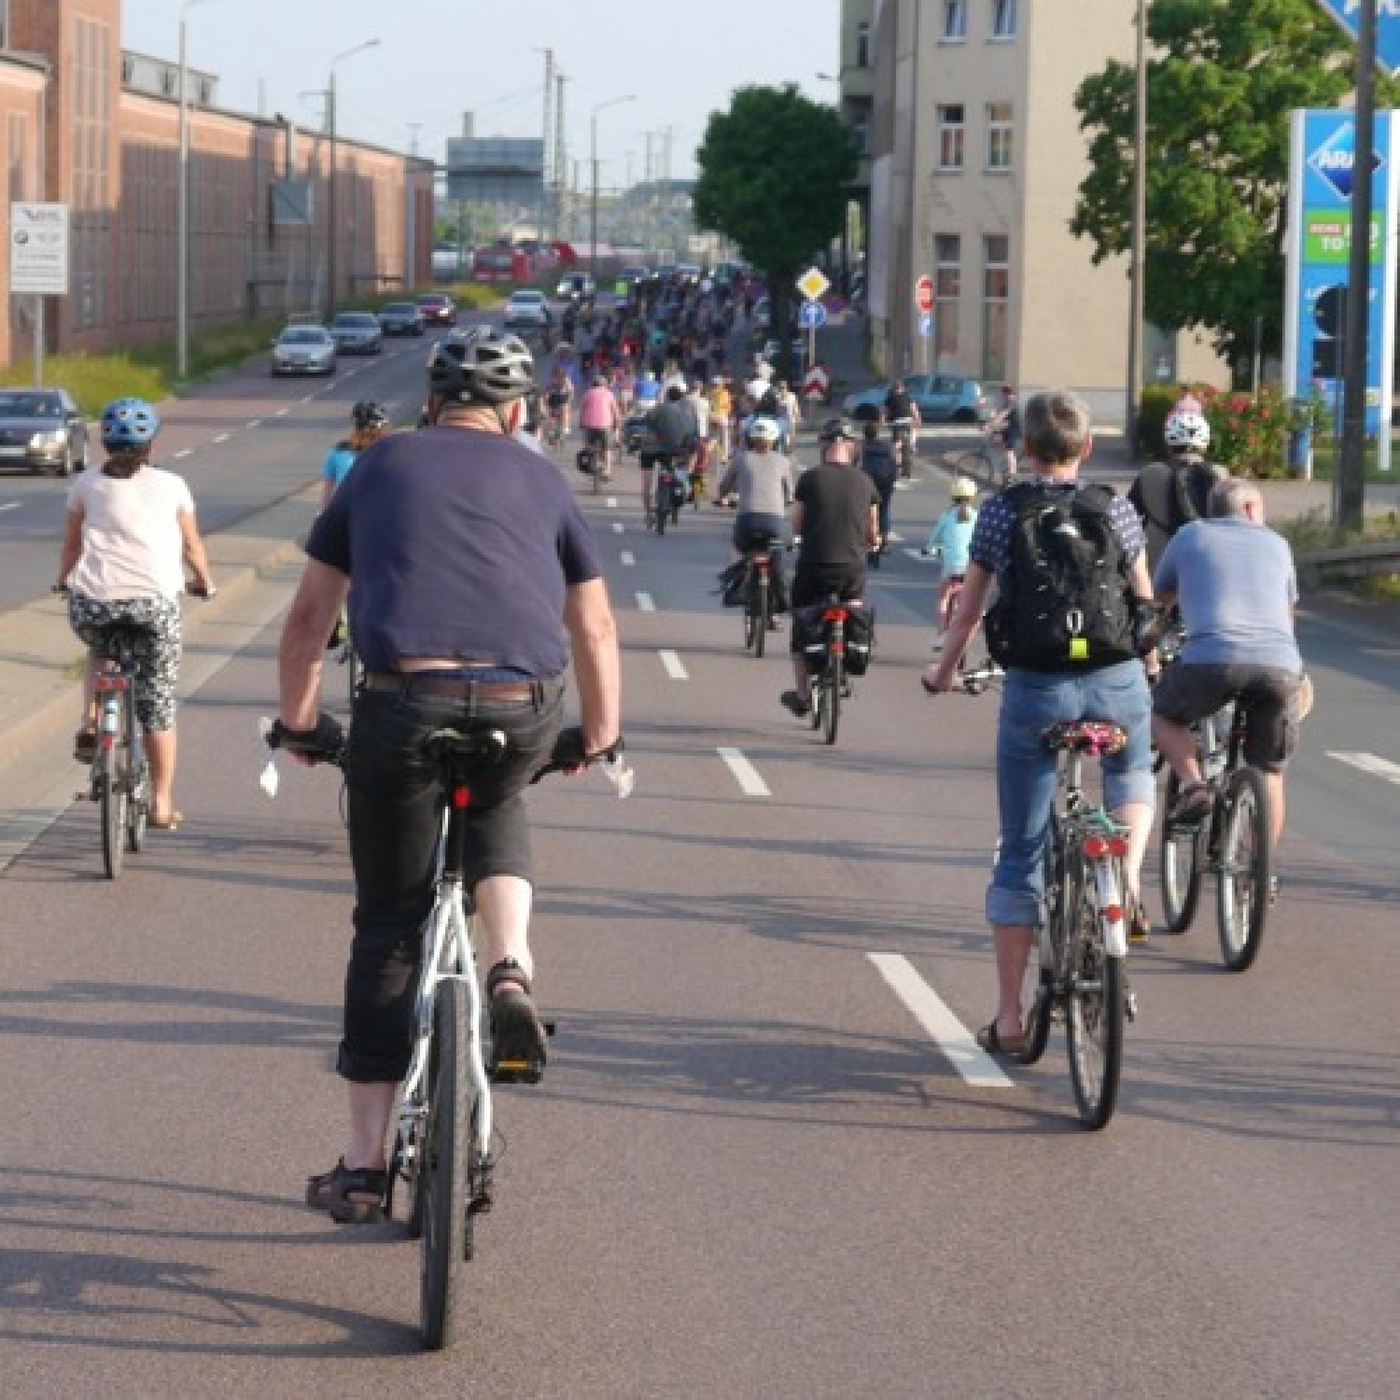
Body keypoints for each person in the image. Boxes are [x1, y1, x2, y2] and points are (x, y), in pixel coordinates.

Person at [276, 332, 622, 1223]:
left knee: (389, 924)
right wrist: (602, 735)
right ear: (516, 413)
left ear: (429, 404)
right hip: (521, 701)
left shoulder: (378, 466)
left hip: (404, 700)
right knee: (502, 795)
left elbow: (310, 617)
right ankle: (509, 970)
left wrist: (302, 725)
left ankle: (361, 1167)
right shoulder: (543, 479)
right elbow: (594, 628)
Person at [922, 391, 1157, 1054]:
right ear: (1085, 448)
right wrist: (1153, 662)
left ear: (1025, 448)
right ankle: (1130, 880)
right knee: (1132, 769)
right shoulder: (1115, 508)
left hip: (1037, 690)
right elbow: (1141, 601)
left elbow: (968, 612)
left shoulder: (1001, 511)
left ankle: (1010, 1018)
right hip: (1115, 680)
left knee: (1021, 849)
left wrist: (942, 673)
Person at [56, 397, 215, 830]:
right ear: (151, 443)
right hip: (155, 605)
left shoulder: (85, 484)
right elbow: (192, 546)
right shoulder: (173, 485)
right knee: (158, 705)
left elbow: (72, 547)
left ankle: (91, 718)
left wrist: (62, 579)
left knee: (99, 648)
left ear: (103, 441)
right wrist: (204, 581)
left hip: (93, 604)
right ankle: (162, 802)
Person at [1151, 479, 1302, 850]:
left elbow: (1158, 601)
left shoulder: (1189, 537)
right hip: (1280, 665)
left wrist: (1150, 647)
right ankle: (1259, 876)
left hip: (1211, 661)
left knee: (1161, 715)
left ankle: (1193, 784)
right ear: (1251, 509)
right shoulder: (1277, 544)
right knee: (1270, 771)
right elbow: (1287, 617)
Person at [780, 418, 879, 717]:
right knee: (853, 609)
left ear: (825, 446)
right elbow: (872, 530)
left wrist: (802, 535)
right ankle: (848, 656)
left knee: (800, 625)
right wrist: (873, 542)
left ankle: (802, 696)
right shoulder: (865, 482)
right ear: (851, 447)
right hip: (850, 569)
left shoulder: (809, 479)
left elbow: (796, 523)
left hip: (813, 566)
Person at [1128, 408, 1229, 572]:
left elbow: (1129, 516)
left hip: (1158, 565)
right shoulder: (1221, 474)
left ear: (1168, 441)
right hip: (1208, 563)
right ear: (1205, 443)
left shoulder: (1150, 473)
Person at [715, 415, 794, 555]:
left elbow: (725, 486)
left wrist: (721, 497)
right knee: (778, 549)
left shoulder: (740, 459)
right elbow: (790, 493)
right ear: (775, 439)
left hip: (747, 521)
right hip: (775, 521)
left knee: (738, 551)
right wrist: (787, 501)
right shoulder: (783, 461)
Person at [922, 477, 979, 649]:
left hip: (950, 567)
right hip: (970, 567)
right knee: (969, 601)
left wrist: (930, 549)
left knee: (944, 598)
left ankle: (941, 634)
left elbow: (934, 540)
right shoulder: (977, 517)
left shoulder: (946, 516)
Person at [641, 383, 699, 530]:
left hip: (651, 450)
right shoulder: (690, 411)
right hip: (678, 450)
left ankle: (648, 516)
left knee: (646, 483)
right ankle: (686, 478)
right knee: (688, 459)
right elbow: (695, 434)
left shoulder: (659, 408)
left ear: (667, 396)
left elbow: (646, 422)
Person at [321, 401, 391, 508]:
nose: (382, 434)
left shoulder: (389, 451)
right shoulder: (339, 452)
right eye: (375, 433)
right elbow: (327, 491)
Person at [857, 419, 898, 566]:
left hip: (868, 483)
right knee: (884, 511)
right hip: (885, 482)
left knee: (868, 514)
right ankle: (884, 539)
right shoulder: (887, 446)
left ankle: (869, 543)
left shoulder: (863, 447)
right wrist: (893, 480)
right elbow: (894, 464)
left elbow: (855, 467)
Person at [578, 371, 622, 480]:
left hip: (590, 424)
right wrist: (617, 423)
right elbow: (615, 412)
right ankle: (607, 471)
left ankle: (592, 460)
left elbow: (582, 410)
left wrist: (581, 423)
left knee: (588, 444)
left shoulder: (587, 393)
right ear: (604, 384)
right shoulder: (609, 393)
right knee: (607, 448)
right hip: (605, 424)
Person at [883, 378, 921, 477]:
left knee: (897, 445)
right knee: (914, 428)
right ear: (903, 389)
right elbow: (914, 410)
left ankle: (898, 467)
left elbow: (884, 412)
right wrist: (917, 419)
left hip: (896, 422)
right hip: (908, 421)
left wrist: (882, 422)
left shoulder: (889, 399)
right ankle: (912, 444)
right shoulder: (908, 397)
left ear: (893, 389)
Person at [990, 384, 1021, 482]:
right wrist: (992, 424)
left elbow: (1003, 415)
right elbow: (999, 415)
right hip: (1007, 427)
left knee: (1009, 451)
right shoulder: (1006, 402)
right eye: (1004, 393)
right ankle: (1007, 466)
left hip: (1013, 429)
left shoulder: (1012, 402)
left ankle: (1013, 475)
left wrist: (990, 424)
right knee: (998, 441)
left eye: (1007, 393)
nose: (1004, 395)